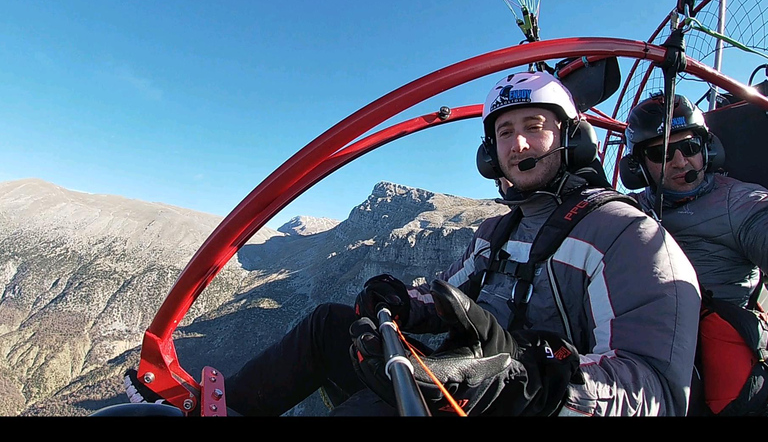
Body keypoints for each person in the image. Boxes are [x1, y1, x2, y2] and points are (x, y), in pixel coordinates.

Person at [125, 71, 701, 417]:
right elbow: (451, 295)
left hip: (525, 406)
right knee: (330, 325)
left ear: (571, 138)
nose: (519, 141)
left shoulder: (629, 237)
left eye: (535, 126)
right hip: (461, 388)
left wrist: (531, 380)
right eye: (504, 131)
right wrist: (408, 301)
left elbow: (657, 391)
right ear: (489, 155)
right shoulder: (495, 232)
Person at [621, 92, 768, 415]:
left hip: (716, 351)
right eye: (661, 153)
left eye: (689, 147)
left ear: (707, 148)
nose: (679, 162)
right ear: (638, 165)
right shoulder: (628, 210)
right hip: (645, 344)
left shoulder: (741, 203)